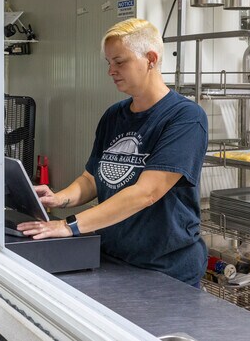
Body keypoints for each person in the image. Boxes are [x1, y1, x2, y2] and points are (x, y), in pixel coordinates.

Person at [17, 18, 208, 287]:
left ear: (150, 59)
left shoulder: (185, 118)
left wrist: (69, 226)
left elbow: (147, 193)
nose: (111, 71)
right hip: (112, 257)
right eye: (109, 63)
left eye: (120, 62)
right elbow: (92, 178)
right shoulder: (114, 115)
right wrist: (59, 199)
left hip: (164, 268)